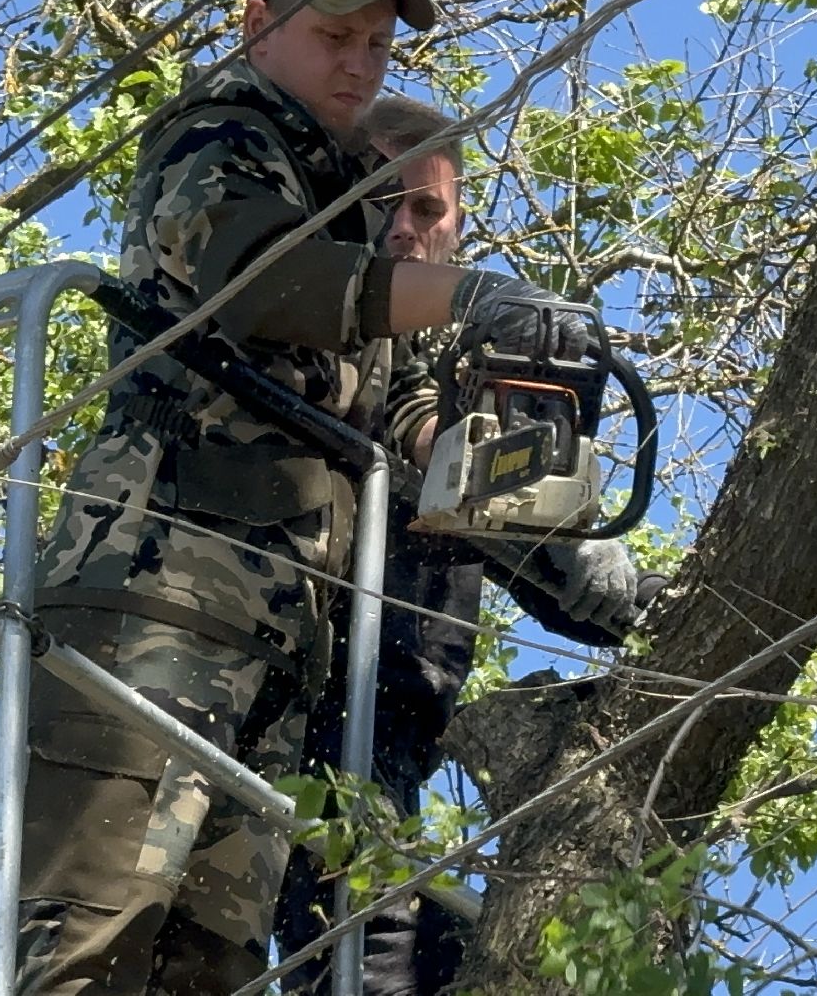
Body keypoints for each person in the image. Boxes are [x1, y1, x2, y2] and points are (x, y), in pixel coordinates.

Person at [13, 0, 596, 993]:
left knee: (210, 966)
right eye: (337, 36)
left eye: (379, 45)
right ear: (259, 25)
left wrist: (534, 494)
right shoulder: (217, 134)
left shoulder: (346, 192)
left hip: (284, 651)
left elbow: (411, 423)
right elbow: (267, 279)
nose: (361, 64)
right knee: (92, 945)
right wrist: (466, 293)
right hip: (156, 606)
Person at [271, 94, 650, 995]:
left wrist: (584, 543)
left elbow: (454, 454)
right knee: (372, 966)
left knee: (444, 955)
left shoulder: (459, 366)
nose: (403, 230)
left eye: (425, 210)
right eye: (380, 204)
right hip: (279, 715)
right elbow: (407, 429)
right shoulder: (288, 320)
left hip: (387, 751)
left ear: (457, 223)